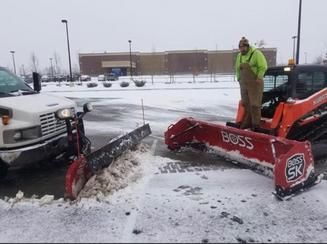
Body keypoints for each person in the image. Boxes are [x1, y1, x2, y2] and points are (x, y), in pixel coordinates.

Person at [235, 37, 268, 130]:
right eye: (240, 48)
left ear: (247, 46)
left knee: (255, 104)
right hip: (244, 83)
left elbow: (263, 66)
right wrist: (239, 79)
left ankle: (255, 125)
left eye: (243, 47)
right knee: (245, 103)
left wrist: (259, 77)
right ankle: (248, 122)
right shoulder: (239, 56)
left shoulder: (256, 53)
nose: (241, 49)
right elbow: (237, 69)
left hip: (255, 82)